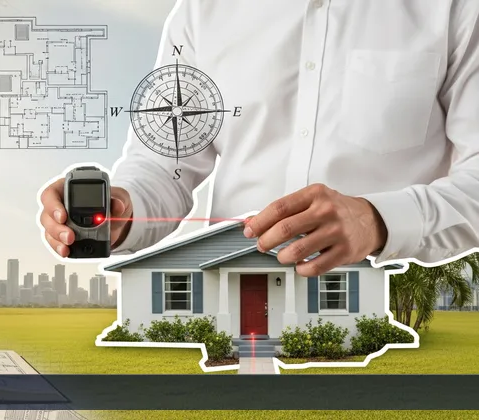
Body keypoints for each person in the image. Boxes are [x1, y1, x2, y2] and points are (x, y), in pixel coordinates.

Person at [40, 0, 479, 277]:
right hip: (228, 293)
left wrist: (377, 220)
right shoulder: (202, 11)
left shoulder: (455, 8)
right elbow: (163, 167)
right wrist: (123, 209)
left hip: (388, 302)